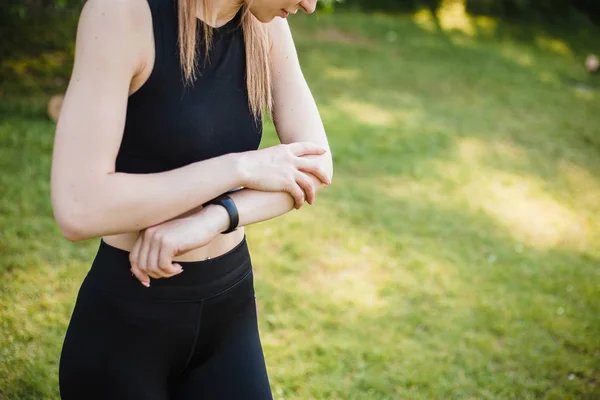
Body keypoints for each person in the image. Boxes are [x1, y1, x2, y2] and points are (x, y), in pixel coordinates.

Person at [50, 0, 332, 398]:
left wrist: (216, 217)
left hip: (229, 315)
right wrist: (237, 168)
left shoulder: (263, 22)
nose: (310, 5)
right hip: (129, 321)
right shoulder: (122, 13)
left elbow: (316, 166)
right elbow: (77, 207)